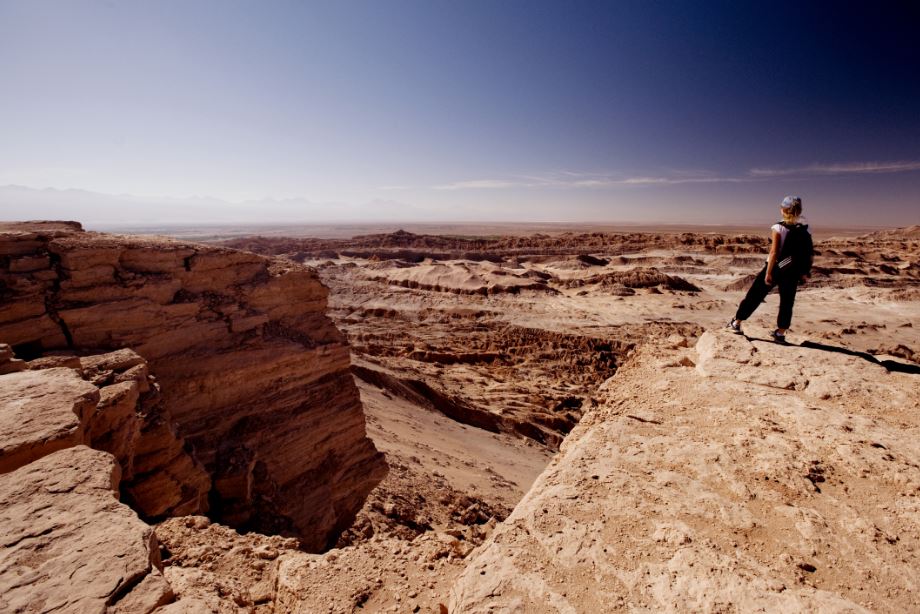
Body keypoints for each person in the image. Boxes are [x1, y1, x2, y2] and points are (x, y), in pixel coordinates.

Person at [729, 196, 812, 343]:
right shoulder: (804, 229)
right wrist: (805, 272)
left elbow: (774, 252)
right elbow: (808, 252)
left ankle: (736, 323)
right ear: (799, 211)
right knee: (787, 301)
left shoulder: (778, 227)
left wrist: (768, 272)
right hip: (792, 270)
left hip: (776, 267)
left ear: (783, 210)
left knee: (755, 295)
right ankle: (780, 333)